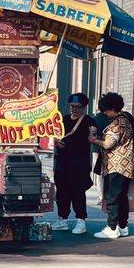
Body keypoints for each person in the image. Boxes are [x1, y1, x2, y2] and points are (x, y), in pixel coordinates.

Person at [89, 93, 134, 239]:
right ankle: (123, 226)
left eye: (105, 110)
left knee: (112, 197)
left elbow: (108, 144)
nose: (104, 113)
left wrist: (94, 140)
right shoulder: (127, 118)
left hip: (116, 164)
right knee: (122, 197)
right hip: (127, 165)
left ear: (111, 108)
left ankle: (112, 228)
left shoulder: (117, 123)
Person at [52, 93, 96, 234]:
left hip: (79, 164)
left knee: (78, 193)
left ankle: (81, 221)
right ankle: (62, 219)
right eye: (72, 106)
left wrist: (93, 135)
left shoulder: (89, 121)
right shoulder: (63, 120)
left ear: (84, 107)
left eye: (78, 107)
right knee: (61, 193)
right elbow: (53, 135)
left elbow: (93, 137)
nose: (74, 109)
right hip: (62, 163)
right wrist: (55, 141)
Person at [91, 96, 113, 205]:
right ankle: (108, 196)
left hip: (97, 149)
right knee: (109, 173)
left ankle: (101, 197)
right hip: (112, 150)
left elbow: (92, 134)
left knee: (99, 174)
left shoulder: (96, 118)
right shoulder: (114, 118)